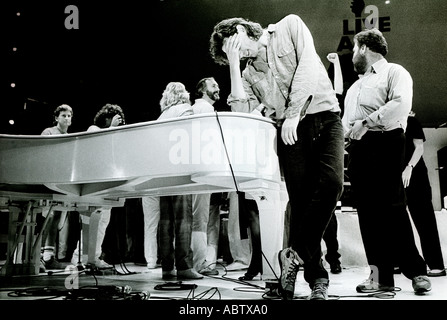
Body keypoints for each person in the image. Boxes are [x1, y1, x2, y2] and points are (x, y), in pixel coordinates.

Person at [209, 14, 345, 300]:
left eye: (235, 46)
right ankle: (316, 278)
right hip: (289, 131)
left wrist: (294, 111)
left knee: (332, 185)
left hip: (325, 116)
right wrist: (234, 64)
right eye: (229, 54)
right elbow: (241, 114)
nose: (238, 53)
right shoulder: (247, 73)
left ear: (242, 29)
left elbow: (308, 65)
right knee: (300, 203)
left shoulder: (289, 26)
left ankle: (292, 254)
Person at [342, 28, 432, 295]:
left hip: (386, 141)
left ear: (366, 48)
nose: (352, 56)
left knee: (393, 207)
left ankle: (416, 272)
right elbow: (347, 122)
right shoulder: (355, 86)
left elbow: (401, 103)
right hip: (359, 148)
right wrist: (349, 134)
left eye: (355, 49)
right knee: (368, 214)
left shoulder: (395, 72)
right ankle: (379, 278)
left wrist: (366, 123)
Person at [157, 82, 203, 280]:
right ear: (183, 94)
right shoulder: (186, 110)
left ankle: (167, 267)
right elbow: (191, 136)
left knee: (165, 220)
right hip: (181, 168)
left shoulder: (162, 115)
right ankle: (184, 266)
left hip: (162, 171)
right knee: (184, 219)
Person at [71, 103, 125, 269]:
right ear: (106, 118)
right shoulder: (93, 129)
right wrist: (112, 128)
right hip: (92, 185)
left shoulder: (111, 134)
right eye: (112, 117)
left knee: (102, 223)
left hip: (104, 184)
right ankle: (81, 257)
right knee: (91, 222)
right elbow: (98, 147)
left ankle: (92, 257)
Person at [402, 111, 446, 277]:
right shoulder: (389, 122)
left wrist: (409, 167)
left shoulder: (411, 121)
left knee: (424, 219)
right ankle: (401, 262)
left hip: (415, 175)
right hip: (396, 177)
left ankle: (436, 265)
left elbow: (419, 147)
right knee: (397, 221)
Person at [190, 77, 221, 276]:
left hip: (198, 166)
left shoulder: (197, 108)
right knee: (199, 218)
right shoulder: (205, 109)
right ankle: (199, 263)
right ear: (202, 90)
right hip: (203, 167)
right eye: (213, 86)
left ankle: (197, 262)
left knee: (198, 218)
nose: (218, 88)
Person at [40, 104, 74, 271]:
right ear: (56, 117)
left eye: (69, 116)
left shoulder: (71, 137)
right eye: (63, 115)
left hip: (62, 183)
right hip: (48, 180)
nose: (67, 118)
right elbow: (43, 153)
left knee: (57, 217)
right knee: (48, 217)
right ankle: (41, 256)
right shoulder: (49, 132)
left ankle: (49, 256)